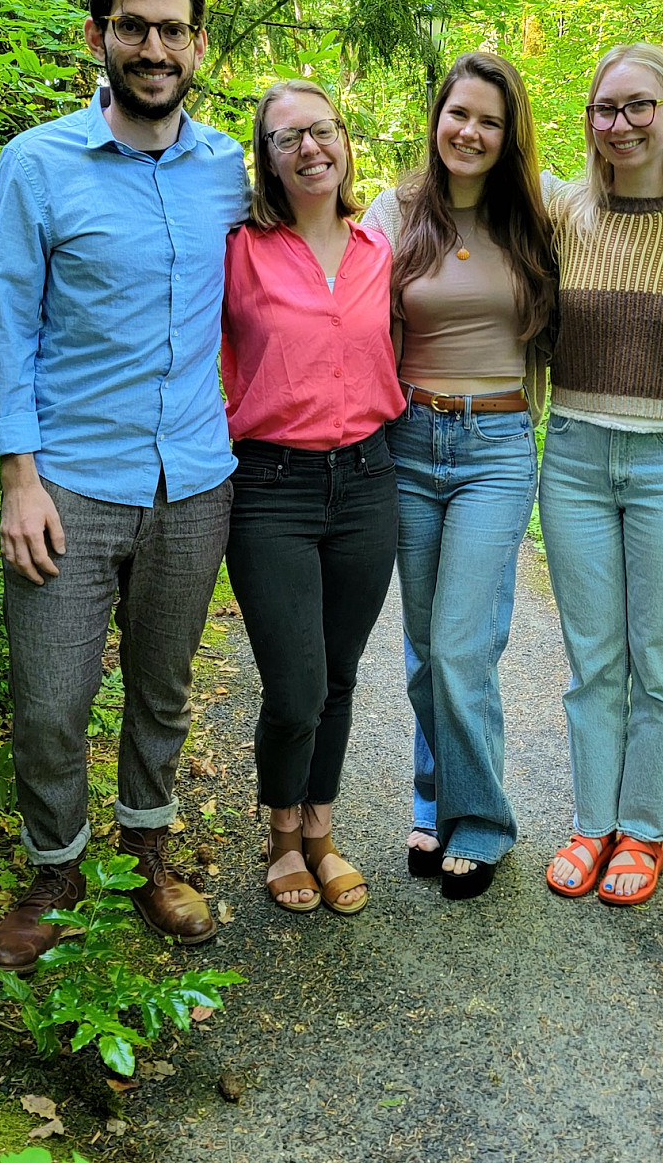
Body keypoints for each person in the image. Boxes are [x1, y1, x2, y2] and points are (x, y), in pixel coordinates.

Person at [0, 0, 249, 971]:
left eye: (172, 29)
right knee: (49, 694)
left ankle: (147, 850)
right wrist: (17, 476)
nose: (153, 47)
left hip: (193, 477)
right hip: (70, 483)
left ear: (197, 46)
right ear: (99, 37)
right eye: (133, 26)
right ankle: (55, 867)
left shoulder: (227, 167)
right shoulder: (39, 164)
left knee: (162, 686)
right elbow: (8, 324)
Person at [540, 44, 663, 907]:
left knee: (660, 656)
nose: (618, 124)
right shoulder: (563, 216)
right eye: (603, 109)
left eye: (637, 107)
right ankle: (593, 823)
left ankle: (647, 827)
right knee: (594, 658)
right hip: (576, 456)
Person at [363, 53, 557, 900]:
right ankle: (432, 799)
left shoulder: (539, 217)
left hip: (496, 447)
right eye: (458, 114)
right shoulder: (395, 212)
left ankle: (481, 821)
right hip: (408, 440)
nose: (469, 132)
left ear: (508, 135)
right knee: (421, 648)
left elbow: (653, 185)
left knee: (462, 643)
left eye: (489, 120)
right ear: (436, 118)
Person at [221, 81, 403, 915]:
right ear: (267, 153)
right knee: (293, 685)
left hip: (368, 481)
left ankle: (320, 829)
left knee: (338, 674)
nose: (310, 148)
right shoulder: (240, 247)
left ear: (344, 140)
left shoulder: (378, 247)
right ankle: (280, 833)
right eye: (289, 136)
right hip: (270, 487)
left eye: (323, 131)